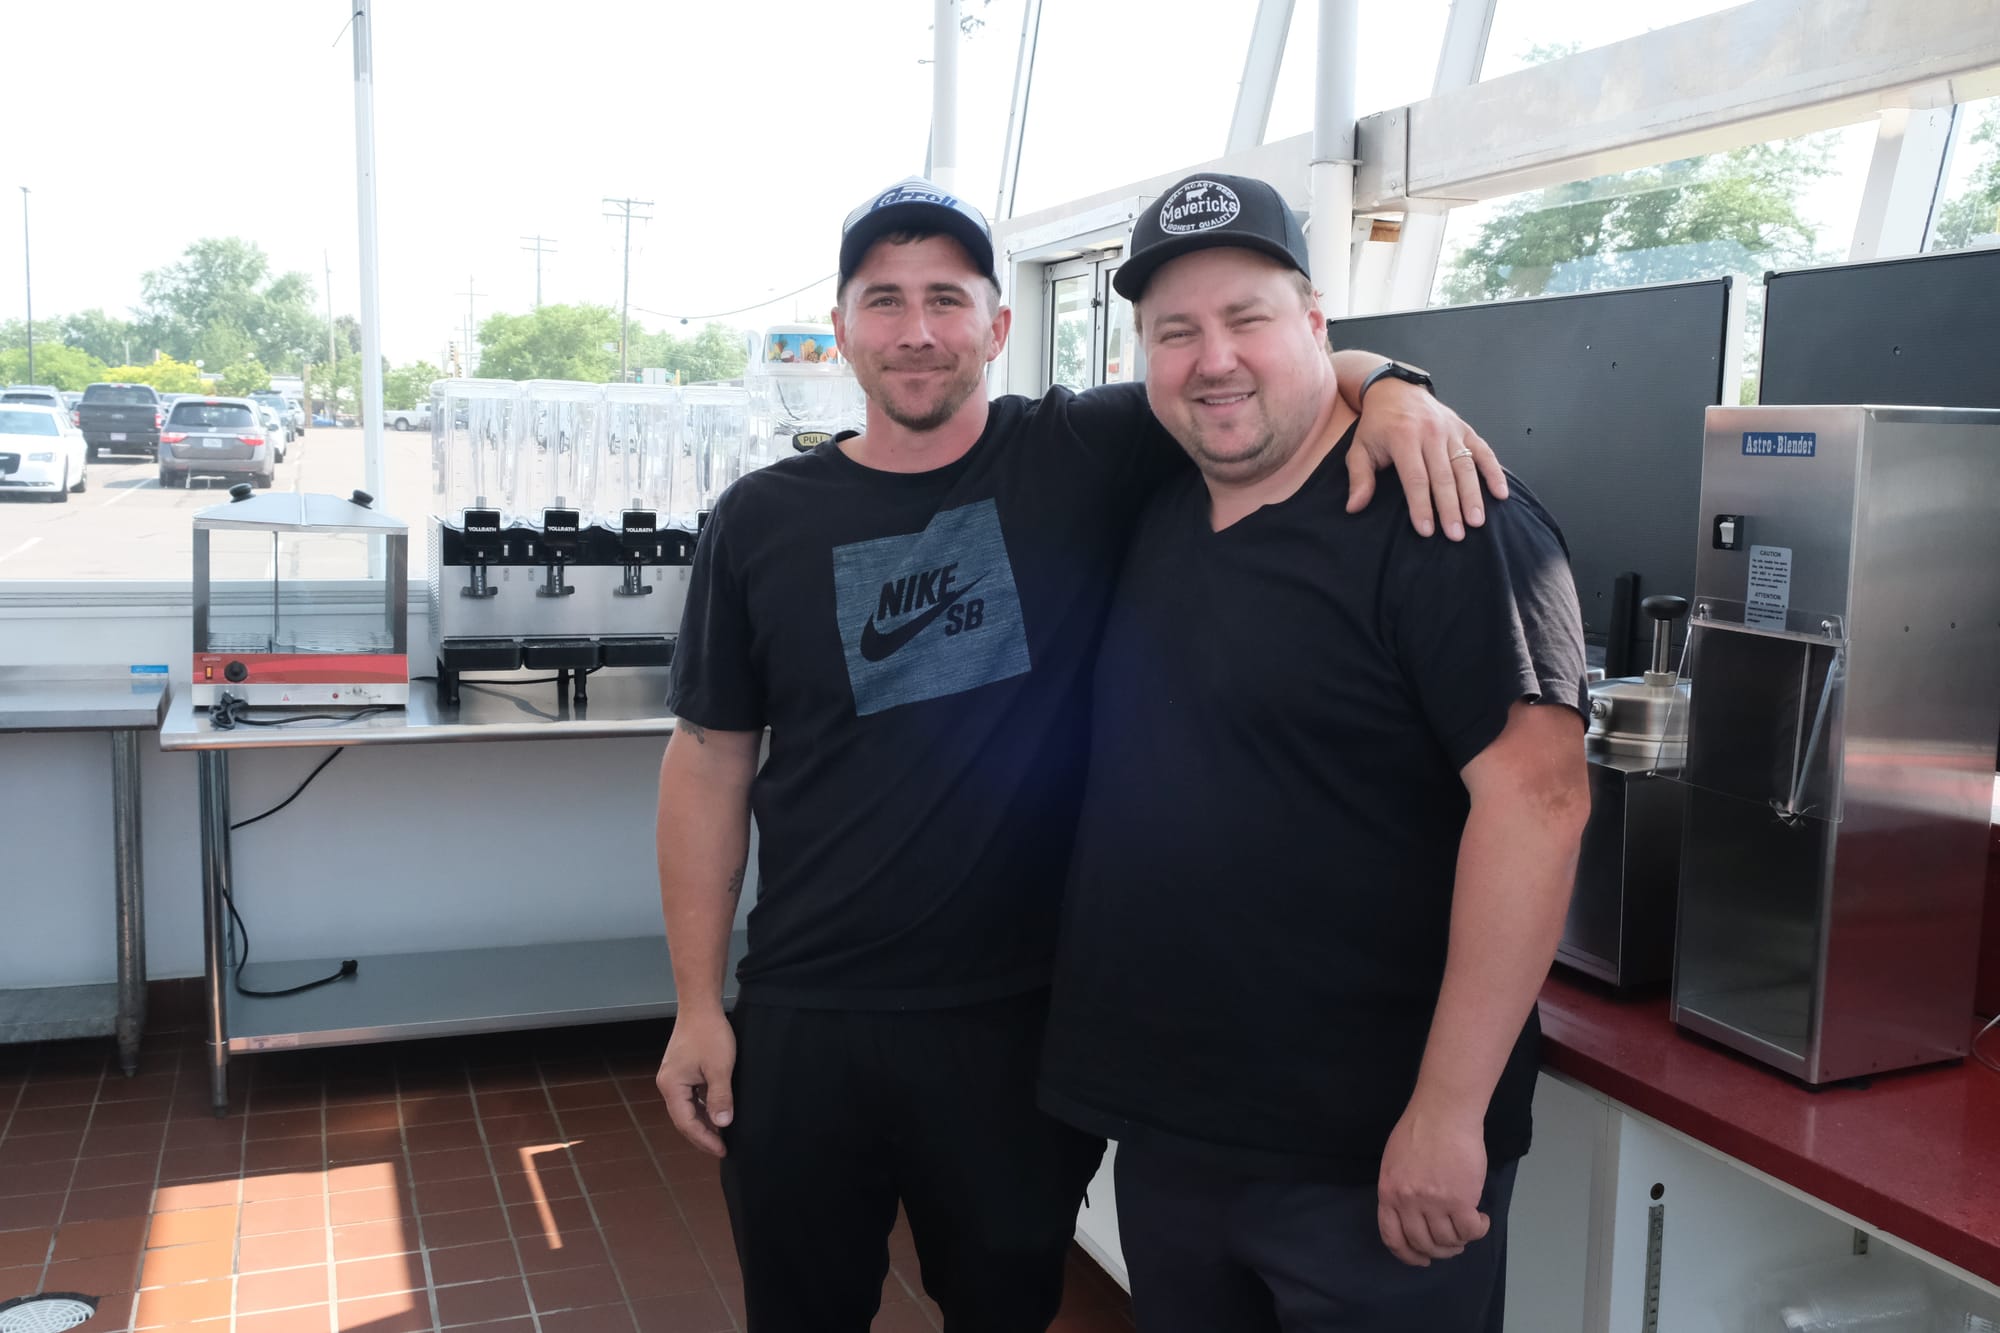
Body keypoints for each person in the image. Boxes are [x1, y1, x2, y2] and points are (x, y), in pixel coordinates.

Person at [653, 175, 1506, 1333]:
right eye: (884, 301)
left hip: (1024, 1024)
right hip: (808, 1008)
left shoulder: (1078, 452)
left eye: (947, 300)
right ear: (842, 328)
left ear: (997, 326)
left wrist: (1393, 388)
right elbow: (708, 762)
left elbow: (1247, 368)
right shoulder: (760, 518)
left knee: (1005, 1307)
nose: (916, 332)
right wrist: (696, 1004)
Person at [1037, 171, 1591, 1333]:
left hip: (1371, 1158)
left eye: (1245, 318)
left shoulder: (1447, 522)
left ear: (1315, 324)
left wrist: (1447, 1113)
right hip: (1178, 1138)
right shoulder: (1158, 503)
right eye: (1173, 332)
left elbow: (1537, 805)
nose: (1212, 358)